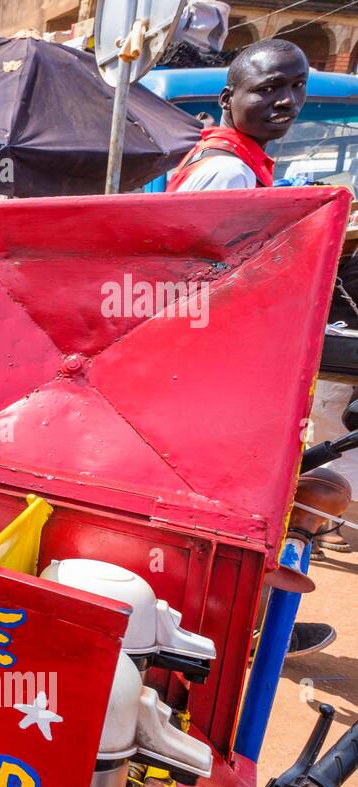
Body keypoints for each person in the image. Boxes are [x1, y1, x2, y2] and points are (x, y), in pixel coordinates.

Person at [167, 38, 337, 658]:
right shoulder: (228, 169)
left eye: (296, 88)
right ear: (229, 98)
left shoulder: (241, 162)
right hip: (205, 364)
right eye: (268, 88)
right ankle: (241, 625)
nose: (286, 100)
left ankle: (246, 620)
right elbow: (196, 278)